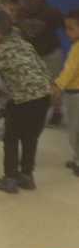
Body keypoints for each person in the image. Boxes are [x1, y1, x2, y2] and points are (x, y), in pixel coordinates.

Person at [0, 9, 51, 194]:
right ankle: (27, 176)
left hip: (20, 101)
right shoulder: (25, 44)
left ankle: (10, 179)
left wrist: (2, 94)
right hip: (44, 97)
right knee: (30, 138)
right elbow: (43, 69)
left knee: (11, 138)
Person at [18, 0, 64, 127]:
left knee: (54, 86)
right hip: (32, 55)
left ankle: (57, 112)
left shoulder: (52, 13)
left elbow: (66, 27)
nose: (28, 2)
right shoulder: (20, 12)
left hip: (51, 54)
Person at [53, 10, 79, 177]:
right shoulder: (75, 46)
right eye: (66, 28)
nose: (67, 32)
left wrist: (58, 85)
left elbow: (70, 70)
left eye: (71, 28)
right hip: (73, 93)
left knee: (75, 130)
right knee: (74, 128)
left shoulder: (77, 48)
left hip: (76, 94)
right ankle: (77, 157)